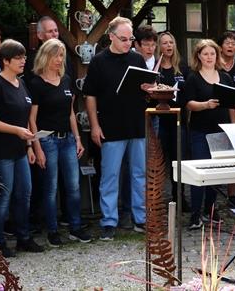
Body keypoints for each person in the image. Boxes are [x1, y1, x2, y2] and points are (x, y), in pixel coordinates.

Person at [83, 16, 150, 241]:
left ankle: (140, 218)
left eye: (131, 38)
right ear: (111, 36)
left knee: (139, 174)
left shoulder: (138, 59)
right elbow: (90, 96)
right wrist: (94, 125)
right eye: (123, 39)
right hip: (110, 126)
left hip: (137, 125)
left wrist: (150, 88)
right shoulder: (99, 61)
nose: (128, 43)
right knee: (110, 176)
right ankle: (109, 221)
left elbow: (144, 91)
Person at [0, 39, 44, 257]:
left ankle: (23, 237)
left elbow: (24, 118)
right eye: (18, 57)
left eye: (24, 57)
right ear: (5, 61)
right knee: (3, 196)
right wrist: (16, 130)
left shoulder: (21, 83)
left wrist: (29, 145)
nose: (23, 61)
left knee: (24, 193)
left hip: (19, 150)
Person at [28, 39, 92, 246]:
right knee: (50, 187)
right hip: (47, 140)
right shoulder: (36, 83)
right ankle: (52, 230)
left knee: (73, 185)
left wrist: (78, 139)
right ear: (45, 57)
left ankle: (75, 227)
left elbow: (71, 113)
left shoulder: (66, 80)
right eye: (56, 55)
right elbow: (31, 119)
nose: (59, 59)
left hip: (68, 139)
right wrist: (37, 147)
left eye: (62, 55)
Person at [182, 39, 235, 229]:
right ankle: (195, 215)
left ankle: (211, 211)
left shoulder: (226, 78)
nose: (209, 57)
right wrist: (206, 105)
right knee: (199, 173)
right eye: (205, 54)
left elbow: (232, 105)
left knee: (217, 174)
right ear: (198, 56)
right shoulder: (193, 78)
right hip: (200, 132)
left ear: (217, 55)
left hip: (221, 132)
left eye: (212, 53)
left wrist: (234, 127)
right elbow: (188, 104)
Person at [155, 31, 191, 203]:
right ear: (159, 46)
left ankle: (179, 196)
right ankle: (158, 197)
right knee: (162, 160)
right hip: (159, 121)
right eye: (164, 43)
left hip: (179, 120)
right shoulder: (155, 66)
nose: (168, 46)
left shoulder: (183, 67)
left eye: (171, 42)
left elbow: (189, 93)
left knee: (179, 160)